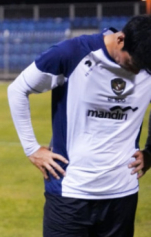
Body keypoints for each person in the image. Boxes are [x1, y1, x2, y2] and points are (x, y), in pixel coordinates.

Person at [8, 15, 151, 236]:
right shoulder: (72, 53)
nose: (136, 71)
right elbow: (17, 89)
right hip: (70, 192)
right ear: (121, 40)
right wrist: (32, 149)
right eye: (132, 63)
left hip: (122, 194)